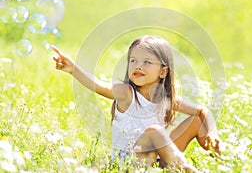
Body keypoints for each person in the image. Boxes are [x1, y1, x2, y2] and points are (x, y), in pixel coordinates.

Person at [52, 35, 221, 172]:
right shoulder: (127, 93)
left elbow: (201, 111)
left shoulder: (165, 99)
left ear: (163, 72)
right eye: (133, 60)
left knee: (197, 120)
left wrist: (212, 134)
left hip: (154, 162)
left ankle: (224, 161)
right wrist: (73, 69)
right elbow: (98, 85)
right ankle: (185, 169)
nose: (138, 66)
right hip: (128, 164)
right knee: (154, 131)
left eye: (147, 62)